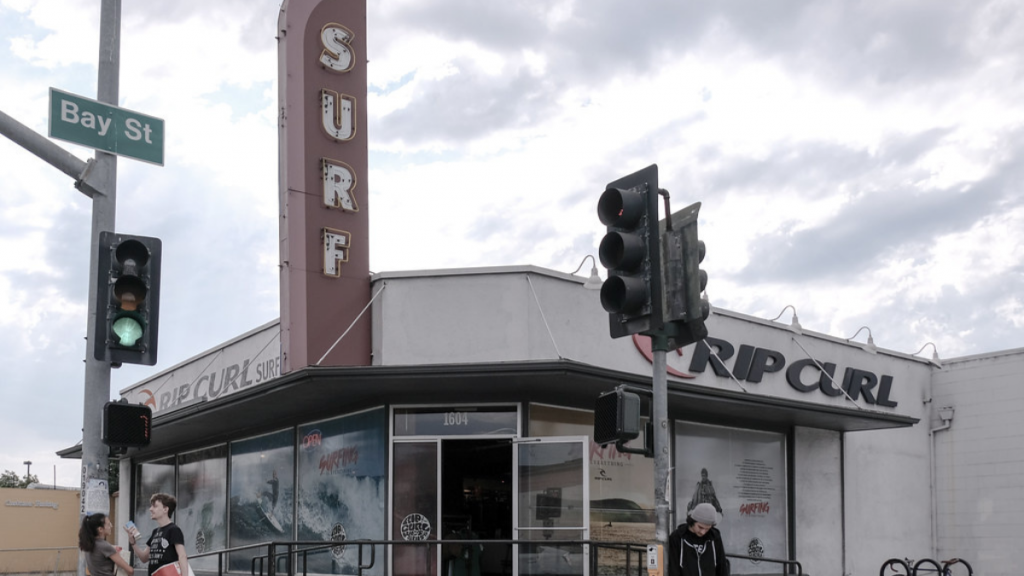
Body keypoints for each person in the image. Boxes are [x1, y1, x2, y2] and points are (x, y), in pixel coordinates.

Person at [125, 493, 190, 576]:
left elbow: (182, 556)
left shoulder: (174, 530)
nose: (150, 509)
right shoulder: (155, 532)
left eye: (155, 506)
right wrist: (133, 543)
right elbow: (144, 558)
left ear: (165, 509)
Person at [668, 502, 728, 576]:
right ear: (692, 521)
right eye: (700, 527)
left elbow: (721, 567)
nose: (703, 532)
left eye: (707, 529)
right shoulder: (677, 538)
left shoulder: (714, 537)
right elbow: (673, 568)